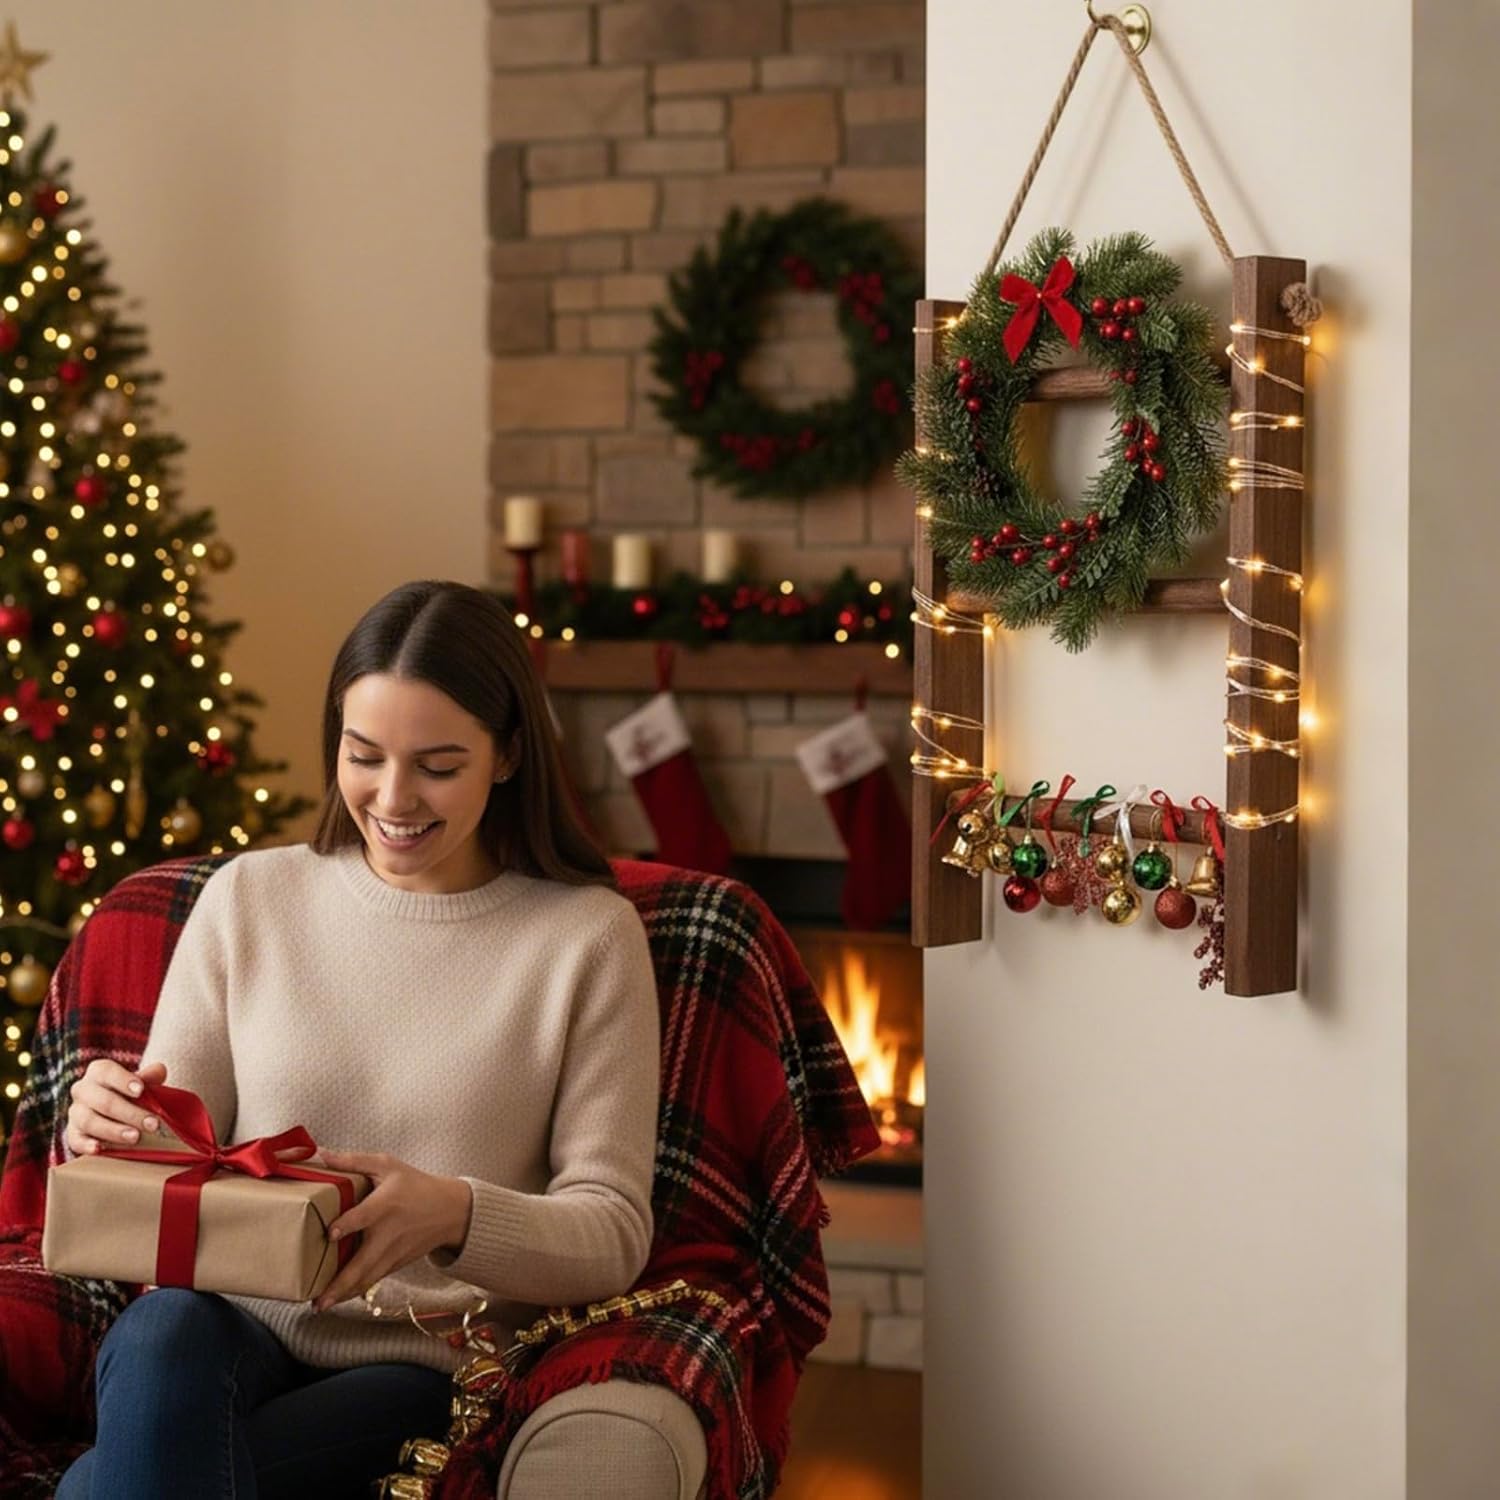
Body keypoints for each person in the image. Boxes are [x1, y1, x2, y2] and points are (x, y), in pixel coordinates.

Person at [55, 580, 662, 1499]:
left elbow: (614, 1233)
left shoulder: (586, 939)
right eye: (363, 754)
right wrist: (103, 1122)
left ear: (506, 758)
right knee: (157, 1332)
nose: (393, 797)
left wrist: (456, 1213)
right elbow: (176, 1154)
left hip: (418, 1359)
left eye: (438, 765)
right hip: (233, 1317)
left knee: (113, 1482)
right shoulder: (249, 899)